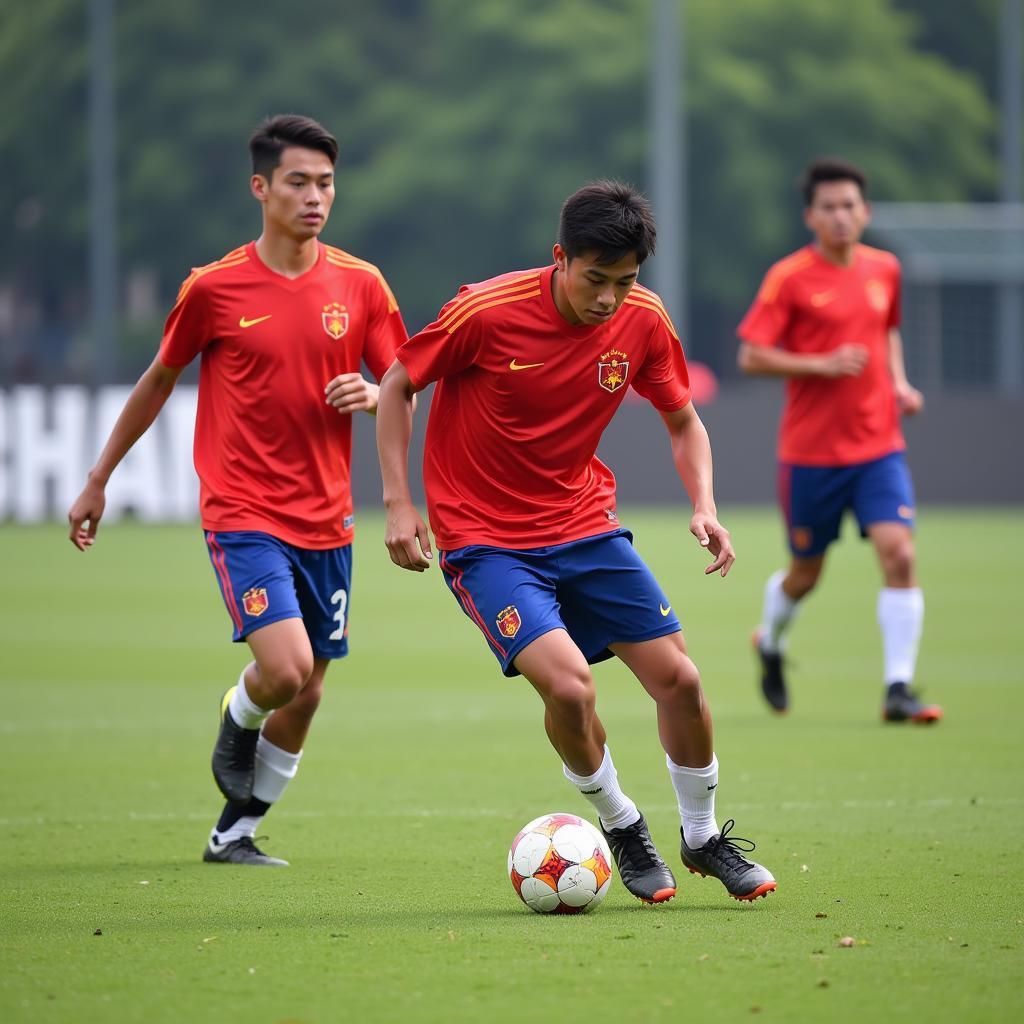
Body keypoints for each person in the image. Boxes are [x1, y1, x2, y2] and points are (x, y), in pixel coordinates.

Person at [376, 180, 776, 904]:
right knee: (569, 684)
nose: (609, 300)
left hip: (585, 526)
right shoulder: (486, 310)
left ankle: (702, 837)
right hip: (487, 542)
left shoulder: (643, 320)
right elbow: (400, 381)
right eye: (595, 279)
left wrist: (705, 504)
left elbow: (683, 420)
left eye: (625, 283)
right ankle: (621, 822)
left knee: (681, 681)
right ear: (560, 258)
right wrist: (400, 502)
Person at [67, 114, 408, 865]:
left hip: (329, 520)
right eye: (297, 182)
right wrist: (98, 479)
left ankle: (237, 831)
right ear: (261, 188)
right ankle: (239, 711)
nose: (315, 197)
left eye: (325, 182)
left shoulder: (361, 285)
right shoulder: (215, 288)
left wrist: (376, 401)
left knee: (311, 690)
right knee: (283, 671)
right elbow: (159, 378)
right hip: (244, 512)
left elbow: (403, 379)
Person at [737, 157, 942, 724]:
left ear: (865, 211)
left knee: (899, 553)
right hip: (811, 457)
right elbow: (750, 355)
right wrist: (820, 364)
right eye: (828, 207)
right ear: (811, 216)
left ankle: (897, 689)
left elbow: (887, 332)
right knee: (805, 575)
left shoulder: (885, 270)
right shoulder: (788, 278)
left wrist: (899, 384)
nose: (841, 216)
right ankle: (771, 643)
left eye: (850, 205)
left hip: (879, 447)